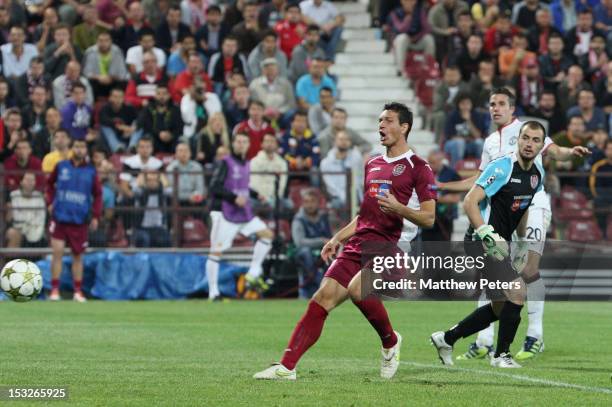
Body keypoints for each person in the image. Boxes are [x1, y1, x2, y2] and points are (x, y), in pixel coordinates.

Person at [253, 102, 436, 380]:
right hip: (360, 242)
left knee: (358, 290)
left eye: (388, 121)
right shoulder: (372, 164)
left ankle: (390, 341)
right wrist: (337, 237)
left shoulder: (418, 167)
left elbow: (429, 218)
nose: (381, 126)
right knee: (322, 297)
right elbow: (364, 214)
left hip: (392, 245)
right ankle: (286, 368)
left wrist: (399, 208)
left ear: (404, 127)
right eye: (380, 121)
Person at [437, 88, 591, 361]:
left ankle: (533, 335)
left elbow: (554, 151)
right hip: (496, 221)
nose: (495, 108)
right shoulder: (490, 144)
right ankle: (487, 346)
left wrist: (570, 152)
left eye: (501, 104)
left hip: (533, 208)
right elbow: (480, 180)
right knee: (506, 290)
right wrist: (447, 186)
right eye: (492, 104)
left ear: (512, 109)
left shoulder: (527, 132)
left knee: (527, 272)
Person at [431, 121, 547, 368]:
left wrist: (523, 243)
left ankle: (446, 339)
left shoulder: (537, 175)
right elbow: (470, 201)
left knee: (499, 306)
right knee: (517, 292)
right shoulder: (502, 167)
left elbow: (521, 208)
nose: (529, 144)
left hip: (503, 243)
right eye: (525, 138)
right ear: (519, 140)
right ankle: (501, 355)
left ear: (541, 145)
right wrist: (486, 233)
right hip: (480, 240)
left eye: (536, 140)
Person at [206, 132, 274, 300]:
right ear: (233, 144)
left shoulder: (246, 164)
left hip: (243, 212)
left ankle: (253, 271)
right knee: (216, 252)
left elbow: (241, 186)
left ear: (249, 145)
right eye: (238, 141)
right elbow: (214, 187)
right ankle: (213, 292)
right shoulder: (225, 163)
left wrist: (256, 194)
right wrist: (233, 198)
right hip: (224, 212)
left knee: (267, 235)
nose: (241, 144)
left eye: (244, 141)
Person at [46, 138, 102, 302]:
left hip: (80, 220)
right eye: (76, 146)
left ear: (86, 150)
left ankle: (78, 291)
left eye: (82, 146)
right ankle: (54, 290)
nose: (79, 149)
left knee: (78, 256)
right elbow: (49, 185)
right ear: (72, 149)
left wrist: (96, 215)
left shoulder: (91, 171)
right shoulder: (61, 166)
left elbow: (98, 194)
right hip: (60, 217)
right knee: (57, 253)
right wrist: (50, 202)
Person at [292, 188, 332, 299]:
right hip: (304, 253)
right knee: (305, 252)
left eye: (312, 201)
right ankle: (317, 285)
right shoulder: (298, 220)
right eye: (306, 202)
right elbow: (299, 242)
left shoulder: (324, 218)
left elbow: (330, 238)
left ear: (318, 203)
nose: (310, 205)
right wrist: (321, 241)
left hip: (322, 252)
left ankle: (334, 286)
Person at [387, 0, 435, 76]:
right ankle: (400, 69)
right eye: (406, 1)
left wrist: (417, 36)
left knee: (429, 39)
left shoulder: (420, 12)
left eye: (411, 1)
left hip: (417, 40)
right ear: (402, 1)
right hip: (401, 42)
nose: (409, 3)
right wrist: (407, 21)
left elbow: (427, 29)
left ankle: (427, 67)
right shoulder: (395, 13)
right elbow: (398, 29)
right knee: (402, 38)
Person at [421, 150, 461, 241]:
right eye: (429, 162)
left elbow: (455, 198)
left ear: (440, 161)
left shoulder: (452, 174)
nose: (430, 165)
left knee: (442, 248)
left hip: (445, 217)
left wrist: (434, 198)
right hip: (426, 216)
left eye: (433, 162)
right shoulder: (425, 172)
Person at [320, 130, 364, 208]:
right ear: (334, 142)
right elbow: (331, 186)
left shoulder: (356, 157)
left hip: (354, 195)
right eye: (341, 139)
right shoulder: (325, 163)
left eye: (347, 139)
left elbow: (359, 179)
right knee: (337, 203)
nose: (344, 142)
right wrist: (345, 198)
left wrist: (352, 196)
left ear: (350, 142)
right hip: (338, 197)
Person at [249, 58, 296, 129]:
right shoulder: (254, 84)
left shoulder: (286, 84)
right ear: (263, 70)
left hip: (281, 114)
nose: (270, 72)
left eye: (273, 69)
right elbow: (252, 103)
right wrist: (263, 112)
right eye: (267, 69)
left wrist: (279, 112)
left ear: (277, 70)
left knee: (292, 113)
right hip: (262, 114)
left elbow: (291, 104)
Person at [136, 85, 183, 154]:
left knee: (182, 141)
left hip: (172, 139)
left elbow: (179, 126)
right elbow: (146, 126)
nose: (161, 97)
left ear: (169, 95)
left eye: (164, 94)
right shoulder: (148, 109)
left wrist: (171, 135)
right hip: (154, 137)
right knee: (147, 138)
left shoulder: (175, 109)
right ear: (155, 96)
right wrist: (159, 133)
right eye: (159, 94)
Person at [443, 93, 487, 167]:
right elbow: (450, 136)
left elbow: (478, 135)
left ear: (472, 104)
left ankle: (481, 169)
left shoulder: (477, 115)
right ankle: (455, 169)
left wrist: (468, 120)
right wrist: (465, 139)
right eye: (463, 104)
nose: (465, 106)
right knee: (460, 143)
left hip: (470, 144)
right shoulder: (452, 115)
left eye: (468, 104)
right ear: (458, 104)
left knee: (480, 143)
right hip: (453, 144)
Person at [5, 172, 47, 248]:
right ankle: (12, 259)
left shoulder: (39, 197)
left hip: (36, 230)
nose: (30, 182)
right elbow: (15, 218)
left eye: (32, 180)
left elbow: (41, 218)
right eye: (27, 180)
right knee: (13, 233)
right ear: (21, 182)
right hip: (18, 229)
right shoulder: (13, 196)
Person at [82, 31, 129, 98]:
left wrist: (110, 77)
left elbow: (122, 73)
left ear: (111, 41)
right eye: (101, 41)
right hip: (96, 81)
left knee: (123, 83)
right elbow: (86, 73)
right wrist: (99, 77)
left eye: (106, 40)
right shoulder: (90, 52)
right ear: (97, 41)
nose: (103, 43)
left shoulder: (117, 51)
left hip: (113, 81)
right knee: (88, 82)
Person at [132, 171, 172, 247]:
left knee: (166, 239)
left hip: (158, 227)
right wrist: (141, 176)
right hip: (142, 228)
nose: (152, 183)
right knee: (143, 239)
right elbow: (135, 189)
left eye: (155, 180)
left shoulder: (162, 192)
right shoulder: (141, 192)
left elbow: (170, 190)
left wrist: (161, 176)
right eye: (149, 180)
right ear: (145, 182)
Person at [250, 133, 289, 207]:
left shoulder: (282, 163)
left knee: (289, 205)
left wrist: (275, 197)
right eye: (267, 141)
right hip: (259, 197)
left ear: (276, 145)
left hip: (276, 197)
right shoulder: (254, 162)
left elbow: (282, 184)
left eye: (272, 141)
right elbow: (254, 183)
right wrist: (263, 197)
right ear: (262, 144)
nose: (269, 144)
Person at [99, 87, 141, 153]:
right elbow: (103, 120)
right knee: (104, 127)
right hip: (114, 135)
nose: (117, 99)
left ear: (123, 98)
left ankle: (132, 147)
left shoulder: (129, 108)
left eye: (120, 97)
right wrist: (121, 127)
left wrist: (132, 128)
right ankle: (117, 148)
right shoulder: (105, 108)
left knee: (140, 125)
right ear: (110, 98)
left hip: (128, 134)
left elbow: (139, 119)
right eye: (115, 97)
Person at [166, 141, 206, 206]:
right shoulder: (170, 168)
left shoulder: (197, 167)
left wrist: (195, 195)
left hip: (194, 198)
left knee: (203, 201)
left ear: (190, 153)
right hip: (178, 199)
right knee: (169, 200)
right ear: (176, 154)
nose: (183, 153)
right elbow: (171, 190)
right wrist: (187, 197)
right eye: (180, 151)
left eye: (186, 151)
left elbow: (200, 188)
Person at [589, 140, 612, 237]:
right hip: (604, 199)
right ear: (605, 151)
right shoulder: (598, 166)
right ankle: (603, 235)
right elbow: (594, 188)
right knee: (598, 202)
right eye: (609, 149)